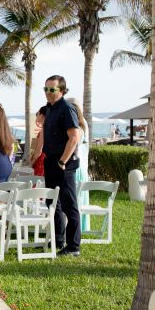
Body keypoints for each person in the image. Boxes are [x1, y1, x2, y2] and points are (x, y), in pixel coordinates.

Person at [42, 75, 82, 256]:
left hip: (64, 162)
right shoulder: (49, 109)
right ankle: (58, 240)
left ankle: (74, 246)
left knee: (69, 204)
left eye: (52, 90)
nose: (48, 93)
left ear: (62, 91)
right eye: (46, 89)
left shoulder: (67, 109)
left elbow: (74, 136)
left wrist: (62, 162)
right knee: (52, 202)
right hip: (51, 160)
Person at [68, 98, 90, 232]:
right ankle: (80, 226)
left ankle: (73, 228)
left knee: (73, 198)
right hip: (81, 165)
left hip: (75, 166)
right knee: (79, 197)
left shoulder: (76, 130)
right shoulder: (83, 127)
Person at [29, 106, 47, 176]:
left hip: (41, 161)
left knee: (38, 183)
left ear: (42, 115)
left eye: (38, 113)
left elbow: (39, 150)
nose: (36, 115)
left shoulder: (44, 130)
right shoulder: (50, 128)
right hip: (46, 160)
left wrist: (32, 162)